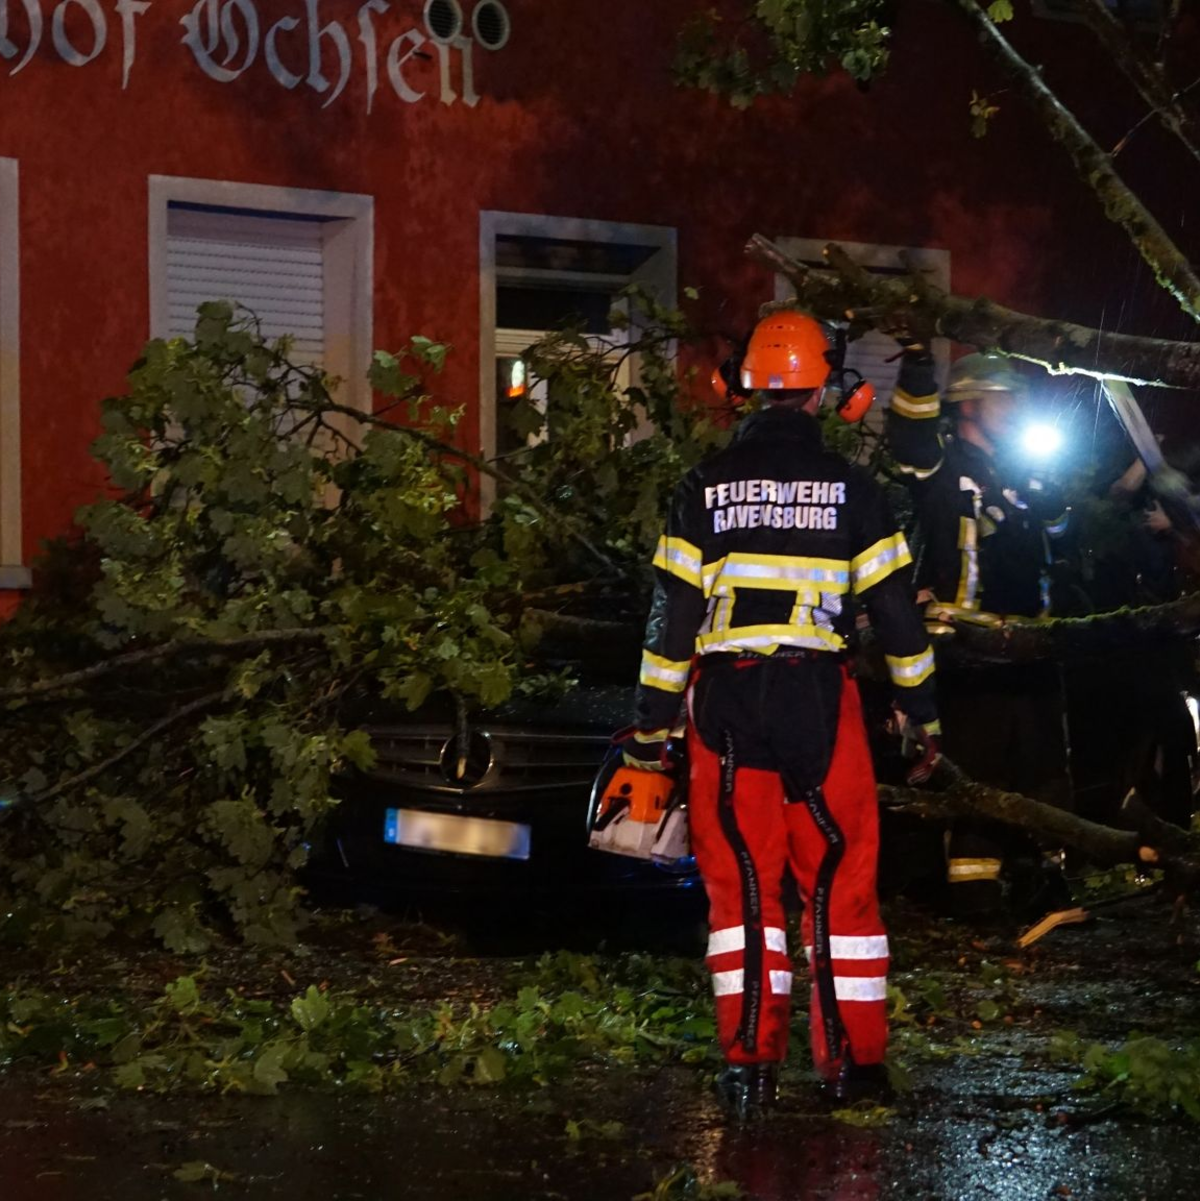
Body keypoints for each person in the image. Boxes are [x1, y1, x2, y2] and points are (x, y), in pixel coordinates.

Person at [621, 311, 939, 1119]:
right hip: (819, 698)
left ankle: (749, 1068)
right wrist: (920, 713)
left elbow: (670, 628)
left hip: (724, 705)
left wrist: (651, 735)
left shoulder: (701, 489)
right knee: (841, 881)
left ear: (738, 387)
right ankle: (855, 1068)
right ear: (833, 392)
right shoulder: (855, 491)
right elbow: (899, 618)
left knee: (743, 892)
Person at [888, 345, 1072, 918]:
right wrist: (918, 364)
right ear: (967, 406)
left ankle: (1036, 883)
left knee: (1038, 771)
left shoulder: (1020, 473)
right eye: (1004, 399)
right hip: (969, 656)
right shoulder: (942, 470)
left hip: (1031, 652)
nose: (1017, 408)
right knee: (979, 777)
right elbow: (910, 435)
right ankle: (975, 900)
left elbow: (1060, 533)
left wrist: (1048, 492)